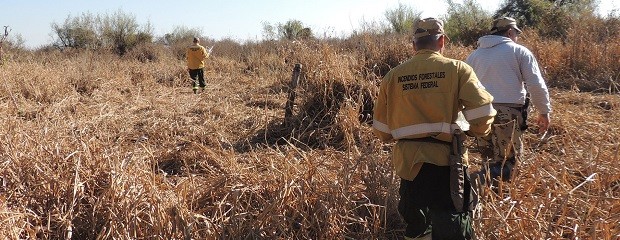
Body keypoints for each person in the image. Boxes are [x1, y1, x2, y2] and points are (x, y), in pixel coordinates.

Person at [372, 17, 496, 240]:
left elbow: (382, 129)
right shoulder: (458, 69)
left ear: (414, 45)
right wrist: (475, 131)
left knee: (417, 225)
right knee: (452, 221)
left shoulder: (392, 76)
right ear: (441, 42)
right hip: (448, 163)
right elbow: (483, 111)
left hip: (408, 163)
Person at [466, 17, 552, 186]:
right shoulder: (519, 52)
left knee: (488, 158)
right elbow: (535, 84)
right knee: (509, 162)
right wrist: (544, 111)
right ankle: (491, 188)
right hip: (508, 113)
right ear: (510, 32)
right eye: (516, 34)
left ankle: (483, 194)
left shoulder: (473, 56)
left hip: (480, 112)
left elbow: (466, 87)